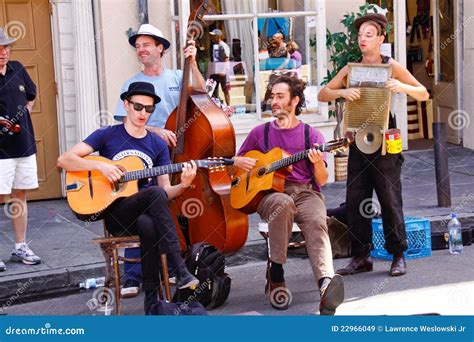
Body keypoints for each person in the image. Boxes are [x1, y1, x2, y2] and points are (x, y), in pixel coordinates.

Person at [57, 82, 200, 314]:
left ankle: (152, 302)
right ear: (126, 105)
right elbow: (64, 160)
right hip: (116, 214)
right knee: (153, 196)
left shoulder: (157, 144)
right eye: (138, 107)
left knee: (149, 220)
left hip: (145, 216)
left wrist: (183, 185)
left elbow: (165, 190)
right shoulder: (107, 135)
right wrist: (100, 167)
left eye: (149, 109)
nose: (143, 113)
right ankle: (179, 268)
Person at [318, 13, 429, 277]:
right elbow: (323, 94)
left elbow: (423, 93)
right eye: (360, 35)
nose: (363, 39)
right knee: (356, 199)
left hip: (383, 139)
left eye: (369, 34)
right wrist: (342, 92)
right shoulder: (350, 68)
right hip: (358, 139)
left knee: (390, 199)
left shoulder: (391, 66)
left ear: (380, 39)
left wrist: (401, 85)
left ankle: (398, 255)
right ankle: (360, 256)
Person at [233, 75, 344, 315]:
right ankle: (277, 274)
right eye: (272, 96)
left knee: (316, 221)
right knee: (282, 204)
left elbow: (322, 180)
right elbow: (237, 169)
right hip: (270, 193)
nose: (273, 101)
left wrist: (315, 164)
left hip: (305, 192)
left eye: (279, 96)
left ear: (294, 101)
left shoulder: (311, 136)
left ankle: (326, 285)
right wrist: (239, 163)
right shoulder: (258, 133)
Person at [113, 23, 205, 298]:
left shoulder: (177, 76)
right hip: (142, 155)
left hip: (177, 153)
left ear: (160, 48)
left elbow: (200, 92)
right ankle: (133, 274)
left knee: (168, 209)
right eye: (137, 46)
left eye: (146, 45)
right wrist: (156, 131)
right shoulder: (131, 84)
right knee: (142, 203)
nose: (140, 50)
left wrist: (193, 61)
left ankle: (172, 268)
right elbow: (122, 122)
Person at [0, 27, 41, 271]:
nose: (2, 52)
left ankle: (20, 246)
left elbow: (32, 96)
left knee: (21, 195)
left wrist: (25, 111)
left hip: (23, 146)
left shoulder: (18, 68)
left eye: (5, 47)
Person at [209, 28, 231, 106]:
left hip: (223, 71)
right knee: (213, 89)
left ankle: (228, 106)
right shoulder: (214, 45)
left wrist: (223, 71)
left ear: (218, 36)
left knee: (225, 89)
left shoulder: (223, 45)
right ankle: (216, 106)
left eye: (214, 36)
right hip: (216, 71)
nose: (212, 37)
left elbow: (226, 58)